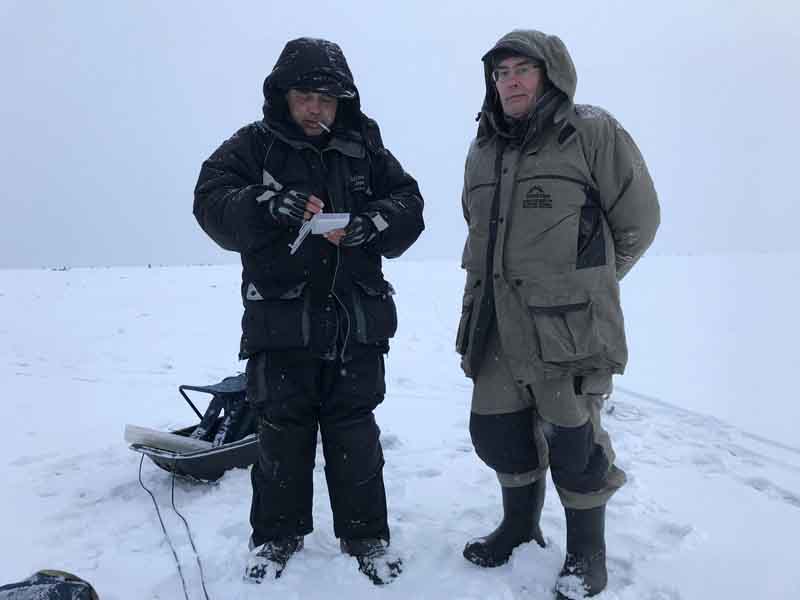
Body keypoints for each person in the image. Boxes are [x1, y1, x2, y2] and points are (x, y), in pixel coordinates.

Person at [193, 37, 424, 585]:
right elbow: (210, 201)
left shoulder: (365, 147)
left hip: (355, 322)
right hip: (281, 324)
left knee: (355, 433)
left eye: (326, 98)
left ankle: (366, 536)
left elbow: (409, 203)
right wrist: (269, 204)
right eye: (304, 96)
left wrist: (370, 223)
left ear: (343, 101)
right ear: (283, 96)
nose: (315, 108)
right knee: (281, 434)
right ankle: (276, 538)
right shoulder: (253, 146)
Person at [456, 30, 659, 598]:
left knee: (576, 442)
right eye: (501, 73)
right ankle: (519, 527)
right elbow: (474, 223)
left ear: (551, 75)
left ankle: (586, 554)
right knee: (497, 433)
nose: (510, 82)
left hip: (568, 329)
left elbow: (639, 222)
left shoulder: (591, 131)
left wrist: (592, 285)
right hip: (495, 324)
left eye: (523, 69)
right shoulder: (483, 147)